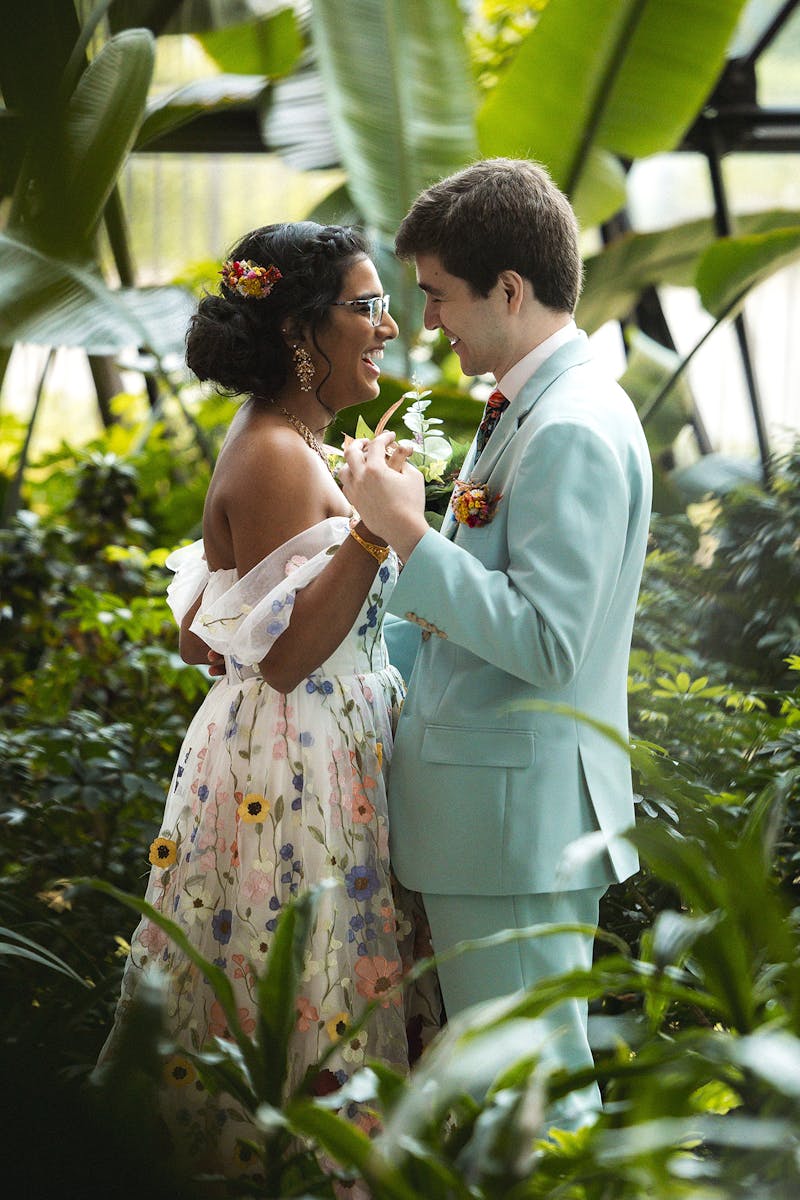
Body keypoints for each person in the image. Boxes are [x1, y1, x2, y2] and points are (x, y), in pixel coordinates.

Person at [96, 221, 440, 1176]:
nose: (389, 330)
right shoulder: (280, 454)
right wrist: (372, 534)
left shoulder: (281, 441)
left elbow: (201, 635)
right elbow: (284, 658)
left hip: (289, 745)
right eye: (369, 309)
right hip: (301, 762)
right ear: (302, 331)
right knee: (313, 983)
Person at [339, 158, 653, 1129]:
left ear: (508, 291)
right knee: (508, 1100)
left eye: (436, 296)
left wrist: (410, 534)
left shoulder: (569, 427)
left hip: (514, 829)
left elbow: (549, 642)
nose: (425, 321)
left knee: (532, 1110)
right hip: (497, 818)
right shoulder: (533, 406)